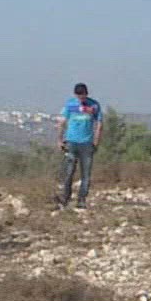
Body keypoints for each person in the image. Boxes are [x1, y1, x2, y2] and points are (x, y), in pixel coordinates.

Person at [57, 81, 102, 209]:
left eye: (82, 95)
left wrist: (96, 141)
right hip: (71, 142)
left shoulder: (94, 105)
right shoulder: (70, 104)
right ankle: (65, 198)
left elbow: (99, 123)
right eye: (78, 96)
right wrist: (60, 139)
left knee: (86, 174)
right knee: (68, 172)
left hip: (87, 143)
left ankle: (81, 200)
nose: (81, 98)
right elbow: (62, 121)